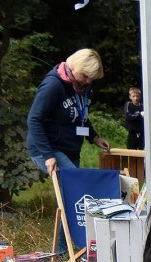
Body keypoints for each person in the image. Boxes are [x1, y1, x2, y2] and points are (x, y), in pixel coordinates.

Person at [26, 48, 111, 176]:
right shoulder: (53, 85)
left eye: (91, 78)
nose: (88, 81)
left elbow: (82, 116)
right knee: (77, 184)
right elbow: (33, 120)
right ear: (74, 67)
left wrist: (94, 137)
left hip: (70, 148)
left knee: (70, 193)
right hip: (48, 148)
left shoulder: (84, 87)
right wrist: (48, 156)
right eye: (85, 76)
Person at [124, 86, 144, 150]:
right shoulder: (128, 105)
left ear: (140, 97)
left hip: (142, 132)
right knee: (131, 151)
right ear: (130, 97)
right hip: (132, 133)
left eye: (137, 96)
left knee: (142, 151)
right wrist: (139, 114)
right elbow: (128, 116)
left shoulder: (142, 106)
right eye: (134, 96)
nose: (136, 98)